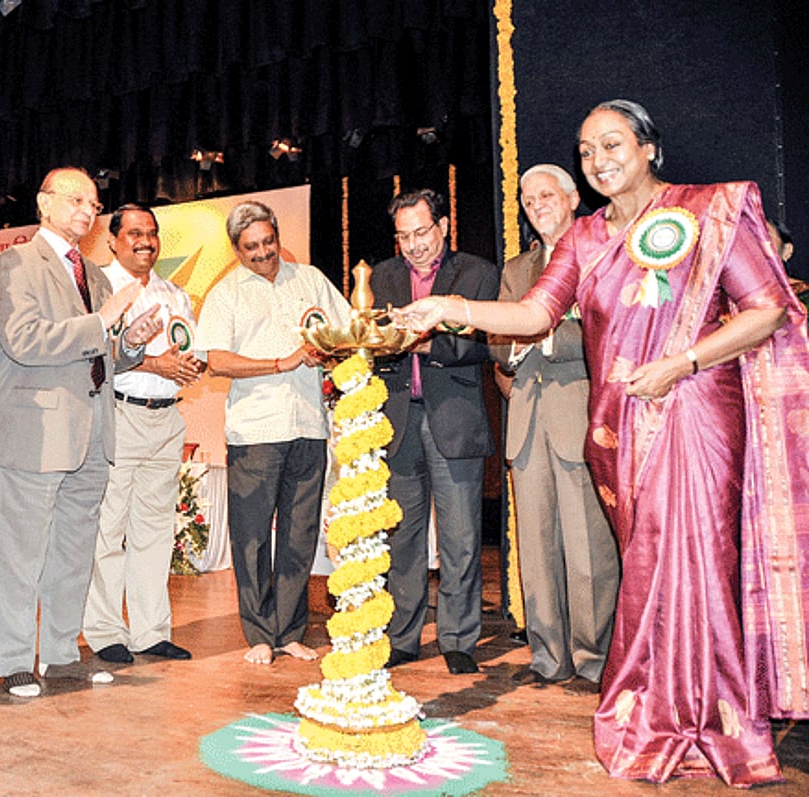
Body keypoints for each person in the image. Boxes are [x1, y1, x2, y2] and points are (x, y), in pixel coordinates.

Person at [392, 99, 809, 786]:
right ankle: (655, 708)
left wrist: (685, 362)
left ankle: (719, 714)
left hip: (699, 415)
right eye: (587, 151)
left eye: (612, 144)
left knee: (701, 567)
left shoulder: (710, 210)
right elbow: (533, 313)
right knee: (646, 573)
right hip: (619, 431)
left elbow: (767, 309)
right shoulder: (586, 238)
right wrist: (450, 309)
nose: (599, 160)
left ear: (649, 147)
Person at [0, 167, 163, 698]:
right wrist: (103, 320)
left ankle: (62, 654)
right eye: (77, 199)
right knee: (22, 551)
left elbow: (102, 354)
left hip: (91, 430)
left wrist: (129, 341)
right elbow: (23, 340)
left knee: (73, 550)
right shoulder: (17, 262)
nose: (88, 210)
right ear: (44, 203)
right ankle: (16, 659)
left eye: (94, 202)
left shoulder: (95, 273)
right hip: (35, 429)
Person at [197, 200, 351, 666]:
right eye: (251, 248)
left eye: (269, 242)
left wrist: (332, 351)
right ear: (236, 250)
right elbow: (216, 360)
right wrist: (281, 363)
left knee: (299, 536)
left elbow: (345, 331)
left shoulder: (310, 280)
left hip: (308, 425)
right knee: (251, 539)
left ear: (278, 237)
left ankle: (289, 631)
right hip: (255, 431)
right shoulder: (226, 294)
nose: (263, 253)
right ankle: (259, 633)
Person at [489, 164, 617, 693]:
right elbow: (497, 342)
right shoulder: (517, 268)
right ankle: (547, 657)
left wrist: (540, 338)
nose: (535, 203)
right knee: (536, 549)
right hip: (525, 421)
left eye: (546, 194)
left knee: (589, 548)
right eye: (527, 198)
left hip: (578, 417)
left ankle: (594, 660)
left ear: (572, 198)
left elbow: (603, 335)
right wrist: (526, 338)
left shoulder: (599, 253)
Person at [369, 188, 499, 675]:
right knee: (403, 537)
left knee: (461, 538)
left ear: (442, 225)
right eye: (404, 236)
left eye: (421, 232)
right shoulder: (382, 276)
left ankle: (458, 638)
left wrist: (423, 344)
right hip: (399, 421)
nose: (414, 245)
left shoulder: (477, 273)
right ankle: (403, 636)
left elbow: (487, 344)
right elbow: (372, 340)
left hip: (454, 420)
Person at [82, 204, 202, 664]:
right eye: (133, 233)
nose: (145, 241)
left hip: (167, 418)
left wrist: (188, 365)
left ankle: (151, 631)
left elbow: (186, 349)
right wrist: (156, 364)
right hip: (120, 415)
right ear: (112, 239)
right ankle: (106, 630)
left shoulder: (175, 293)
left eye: (151, 233)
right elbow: (96, 353)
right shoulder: (101, 288)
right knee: (109, 529)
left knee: (154, 531)